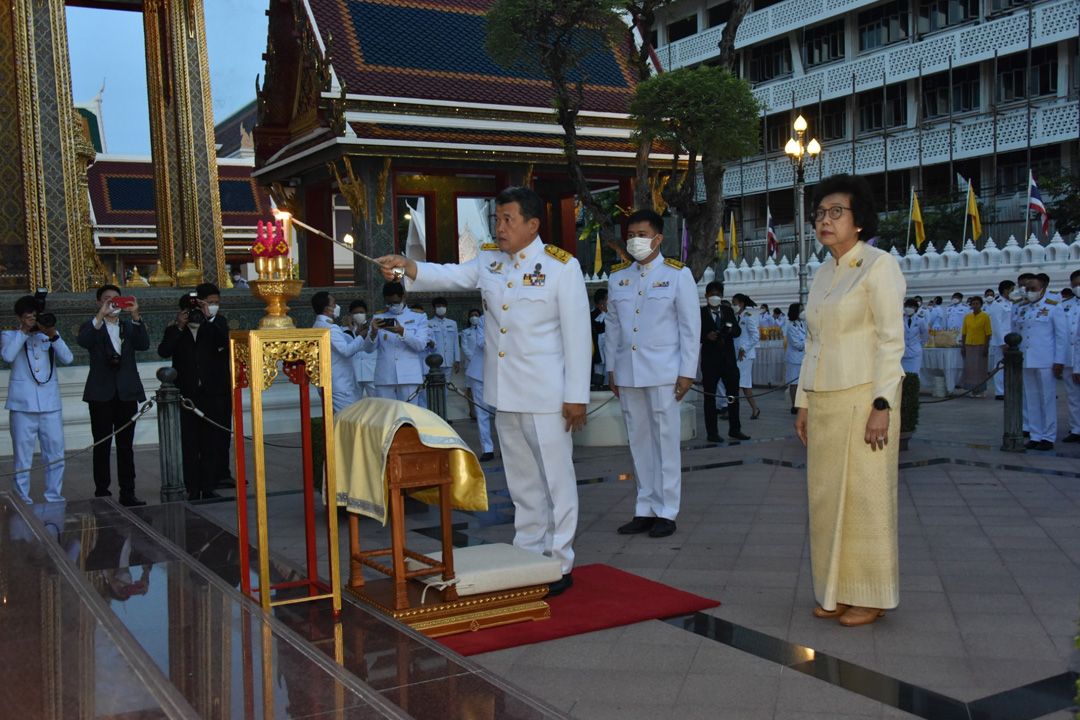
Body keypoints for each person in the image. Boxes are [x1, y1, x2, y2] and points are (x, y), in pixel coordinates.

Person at [375, 186, 589, 596]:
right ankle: (528, 549)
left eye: (508, 219)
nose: (500, 227)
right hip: (505, 390)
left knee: (556, 478)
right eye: (497, 219)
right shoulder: (490, 260)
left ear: (532, 225)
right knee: (522, 478)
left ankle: (560, 559)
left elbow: (578, 336)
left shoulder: (561, 268)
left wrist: (576, 395)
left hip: (547, 393)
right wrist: (406, 266)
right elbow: (450, 273)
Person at [793, 174, 906, 627]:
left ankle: (872, 594)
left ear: (859, 220)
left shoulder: (879, 266)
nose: (825, 220)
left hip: (864, 399)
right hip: (824, 402)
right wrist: (803, 402)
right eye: (820, 213)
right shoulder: (823, 272)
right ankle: (834, 590)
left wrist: (883, 405)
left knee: (865, 499)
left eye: (836, 212)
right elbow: (812, 344)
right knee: (824, 502)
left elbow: (890, 342)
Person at [605, 209, 700, 539]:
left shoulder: (677, 274)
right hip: (629, 373)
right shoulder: (618, 278)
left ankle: (667, 510)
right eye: (630, 235)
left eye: (641, 234)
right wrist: (611, 368)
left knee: (665, 441)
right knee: (639, 441)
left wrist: (687, 372)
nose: (635, 241)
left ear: (658, 238)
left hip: (664, 372)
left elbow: (690, 327)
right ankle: (644, 507)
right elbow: (613, 328)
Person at [157, 284, 231, 501]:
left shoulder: (215, 325)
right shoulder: (175, 330)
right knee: (189, 443)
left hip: (213, 393)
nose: (194, 314)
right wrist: (180, 327)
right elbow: (164, 351)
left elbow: (225, 343)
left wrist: (209, 318)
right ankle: (192, 487)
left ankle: (208, 486)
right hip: (186, 395)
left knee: (211, 442)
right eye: (190, 311)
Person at [78, 285, 150, 507]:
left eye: (117, 300)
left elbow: (144, 344)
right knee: (102, 444)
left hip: (126, 393)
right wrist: (100, 316)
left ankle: (128, 492)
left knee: (126, 446)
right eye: (107, 300)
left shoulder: (128, 327)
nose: (113, 303)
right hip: (101, 394)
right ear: (99, 303)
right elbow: (84, 341)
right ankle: (102, 491)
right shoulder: (92, 327)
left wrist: (135, 314)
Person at [2, 295, 74, 504]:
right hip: (22, 405)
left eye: (35, 315)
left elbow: (68, 358)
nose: (33, 319)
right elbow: (7, 356)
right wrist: (24, 331)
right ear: (19, 317)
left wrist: (52, 334)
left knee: (55, 454)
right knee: (22, 456)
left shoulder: (49, 335)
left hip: (50, 405)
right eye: (28, 316)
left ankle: (54, 496)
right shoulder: (10, 335)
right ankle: (21, 498)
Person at [1014, 274, 1069, 450]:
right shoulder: (1023, 308)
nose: (1030, 292)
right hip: (1027, 360)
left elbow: (1062, 336)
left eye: (1033, 289)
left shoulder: (1053, 307)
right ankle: (1035, 434)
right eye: (1028, 289)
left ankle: (1048, 436)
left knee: (1047, 399)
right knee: (1031, 399)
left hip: (1046, 360)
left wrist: (1059, 361)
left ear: (1043, 289)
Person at [363, 282, 430, 404]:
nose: (392, 306)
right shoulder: (379, 316)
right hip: (385, 376)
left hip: (409, 375)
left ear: (403, 297)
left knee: (409, 415)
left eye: (395, 302)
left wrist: (402, 331)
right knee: (386, 415)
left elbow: (420, 345)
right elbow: (368, 349)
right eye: (388, 303)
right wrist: (372, 333)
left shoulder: (419, 316)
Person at [700, 282, 748, 442]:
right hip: (710, 361)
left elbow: (737, 331)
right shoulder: (700, 313)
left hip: (728, 360)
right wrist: (706, 336)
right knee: (710, 398)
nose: (715, 297)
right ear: (706, 296)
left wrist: (727, 330)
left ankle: (735, 429)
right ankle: (712, 432)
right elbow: (692, 334)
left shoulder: (727, 310)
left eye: (718, 294)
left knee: (733, 396)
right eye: (712, 294)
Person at [310, 291, 367, 414]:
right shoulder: (330, 327)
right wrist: (362, 337)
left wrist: (355, 335)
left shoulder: (317, 325)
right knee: (348, 422)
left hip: (331, 383)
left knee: (337, 423)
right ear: (327, 309)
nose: (337, 307)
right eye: (334, 304)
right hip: (341, 386)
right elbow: (346, 351)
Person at [460, 308, 495, 461]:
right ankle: (487, 449)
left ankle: (509, 449)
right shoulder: (483, 319)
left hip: (504, 372)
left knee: (505, 414)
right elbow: (481, 343)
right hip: (480, 371)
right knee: (482, 413)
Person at [425, 297, 460, 408]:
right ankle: (434, 412)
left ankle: (443, 413)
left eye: (443, 306)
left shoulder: (452, 323)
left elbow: (455, 342)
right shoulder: (428, 323)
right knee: (433, 388)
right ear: (434, 308)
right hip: (433, 363)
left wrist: (457, 360)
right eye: (438, 306)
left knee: (445, 388)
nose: (441, 308)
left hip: (448, 361)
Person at [732, 293, 761, 419]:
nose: (733, 306)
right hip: (735, 354)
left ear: (742, 304)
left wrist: (744, 348)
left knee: (742, 384)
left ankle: (752, 408)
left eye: (735, 303)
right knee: (739, 384)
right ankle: (753, 408)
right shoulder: (734, 317)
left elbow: (755, 336)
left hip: (745, 356)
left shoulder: (748, 317)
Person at [987, 280, 1016, 400]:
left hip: (1013, 339)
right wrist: (1002, 343)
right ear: (1006, 290)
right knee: (1000, 365)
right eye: (1012, 289)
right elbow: (996, 325)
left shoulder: (1011, 303)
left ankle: (1010, 388)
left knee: (1011, 365)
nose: (1014, 292)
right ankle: (1000, 391)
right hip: (1002, 341)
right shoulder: (997, 304)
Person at [960, 296, 993, 398]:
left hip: (980, 345)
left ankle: (981, 390)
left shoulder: (985, 316)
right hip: (969, 344)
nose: (975, 305)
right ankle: (971, 389)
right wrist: (963, 346)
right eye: (973, 303)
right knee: (970, 369)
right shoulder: (967, 317)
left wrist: (986, 347)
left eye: (977, 303)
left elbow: (988, 333)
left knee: (980, 369)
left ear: (981, 305)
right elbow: (964, 333)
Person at [346, 300, 377, 400]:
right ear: (350, 315)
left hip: (372, 371)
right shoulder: (345, 330)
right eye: (355, 313)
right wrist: (353, 331)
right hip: (354, 372)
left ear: (366, 313)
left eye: (361, 312)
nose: (358, 315)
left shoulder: (373, 328)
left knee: (377, 403)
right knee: (354, 405)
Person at [1063, 269, 1080, 443]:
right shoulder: (1065, 305)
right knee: (1073, 396)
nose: (1077, 287)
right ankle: (1076, 428)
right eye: (1074, 285)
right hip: (1069, 357)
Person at [784, 303, 805, 414]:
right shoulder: (791, 326)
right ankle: (794, 405)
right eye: (801, 310)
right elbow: (797, 344)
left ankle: (800, 404)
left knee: (801, 383)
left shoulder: (803, 323)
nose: (803, 312)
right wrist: (809, 343)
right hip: (794, 358)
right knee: (794, 383)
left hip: (802, 358)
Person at [901, 298, 929, 375]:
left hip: (915, 351)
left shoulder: (920, 320)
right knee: (903, 375)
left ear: (915, 308)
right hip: (902, 351)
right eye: (906, 306)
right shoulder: (900, 319)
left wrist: (920, 344)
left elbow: (925, 334)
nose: (907, 309)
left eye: (910, 307)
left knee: (914, 374)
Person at [590, 288, 609, 387]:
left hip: (609, 349)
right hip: (597, 348)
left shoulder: (611, 314)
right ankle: (598, 385)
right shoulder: (592, 315)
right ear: (601, 301)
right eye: (607, 299)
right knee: (599, 367)